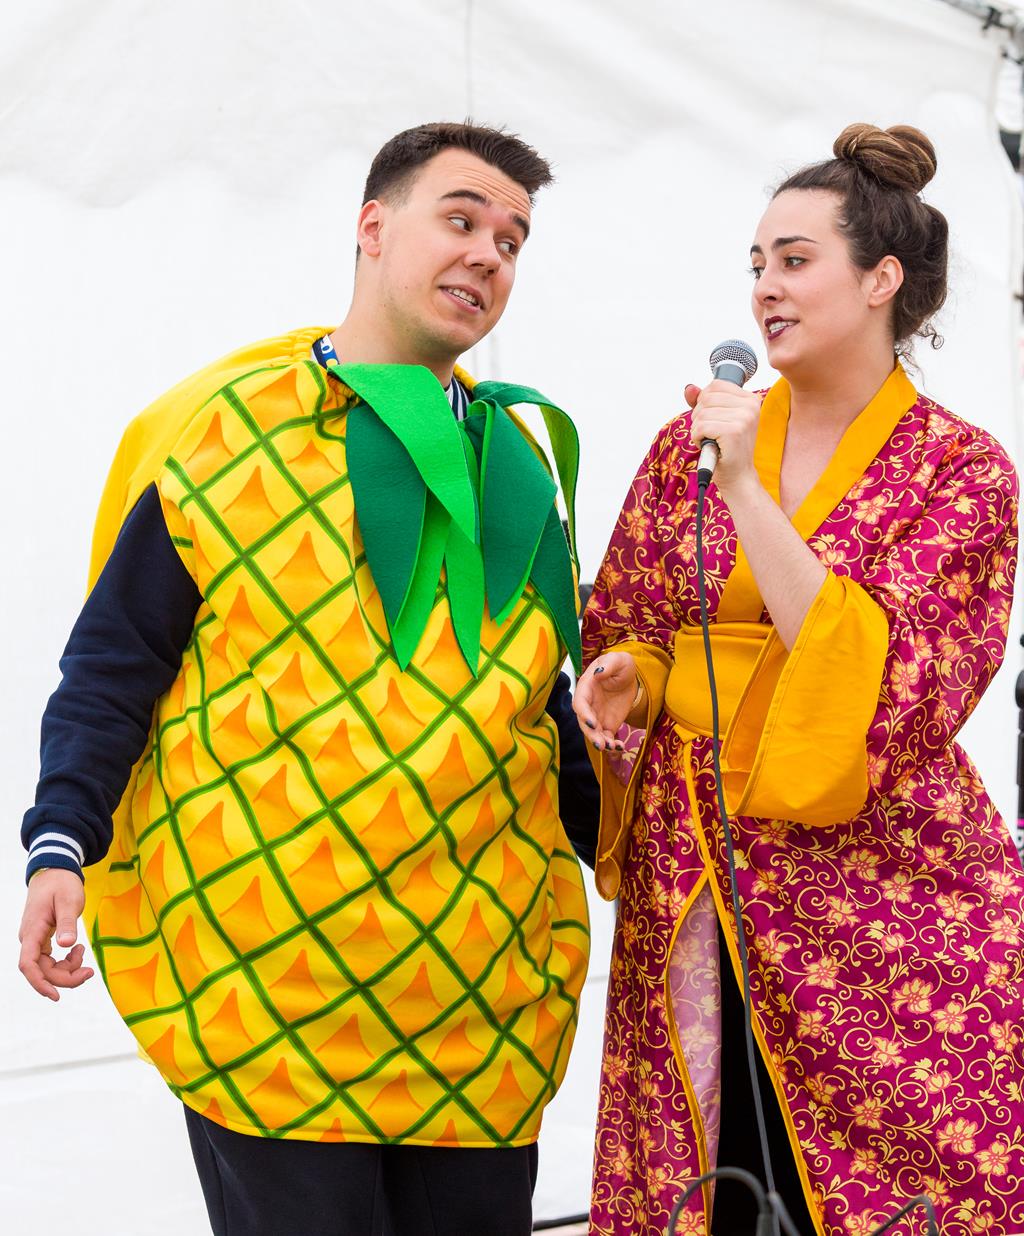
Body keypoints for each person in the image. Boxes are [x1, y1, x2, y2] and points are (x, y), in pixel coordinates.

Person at [18, 121, 598, 1236]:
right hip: (267, 1000)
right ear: (373, 227)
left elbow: (545, 707)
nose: (488, 254)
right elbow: (114, 663)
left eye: (513, 240)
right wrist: (60, 841)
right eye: (462, 218)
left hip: (480, 1008)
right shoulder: (223, 435)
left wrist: (644, 850)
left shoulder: (517, 465)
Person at [575, 123, 1024, 1236]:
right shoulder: (689, 443)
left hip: (880, 891)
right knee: (714, 1164)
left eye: (794, 260)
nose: (765, 288)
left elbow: (893, 680)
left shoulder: (961, 470)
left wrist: (744, 492)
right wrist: (628, 677)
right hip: (695, 862)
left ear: (880, 280)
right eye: (756, 265)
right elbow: (635, 618)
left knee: (900, 1184)